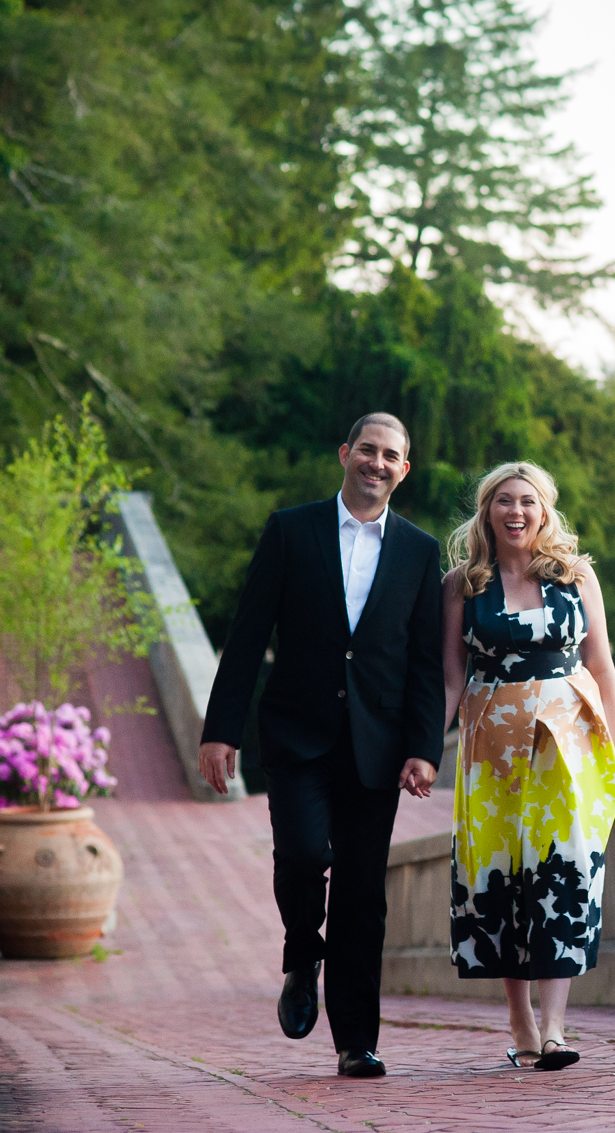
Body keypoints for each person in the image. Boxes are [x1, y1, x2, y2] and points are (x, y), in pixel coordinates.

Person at [198, 413, 445, 1080]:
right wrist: (220, 730)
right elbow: (248, 635)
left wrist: (425, 746)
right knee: (304, 854)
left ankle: (356, 1042)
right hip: (297, 733)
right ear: (344, 454)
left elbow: (426, 661)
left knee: (364, 895)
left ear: (404, 469)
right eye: (367, 449)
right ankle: (302, 953)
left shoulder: (422, 552)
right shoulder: (291, 529)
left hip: (379, 744)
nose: (376, 462)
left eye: (390, 455)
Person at [441, 461, 615, 1071]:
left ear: (544, 511)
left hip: (570, 748)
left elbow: (602, 667)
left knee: (566, 872)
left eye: (527, 501)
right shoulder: (462, 585)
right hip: (492, 752)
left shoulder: (576, 577)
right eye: (503, 501)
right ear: (486, 511)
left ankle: (555, 1029)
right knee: (503, 878)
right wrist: (422, 750)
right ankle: (521, 1021)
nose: (515, 511)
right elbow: (450, 678)